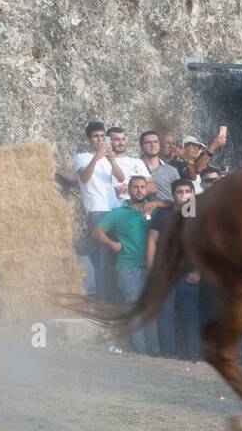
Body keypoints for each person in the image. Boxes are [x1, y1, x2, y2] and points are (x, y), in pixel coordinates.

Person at [94, 175, 161, 355]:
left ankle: (154, 349)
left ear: (147, 189)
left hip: (151, 266)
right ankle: (141, 348)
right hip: (128, 266)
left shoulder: (154, 209)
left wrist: (158, 203)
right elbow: (97, 231)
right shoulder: (118, 212)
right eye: (135, 187)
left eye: (142, 187)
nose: (139, 190)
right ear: (128, 190)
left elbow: (176, 204)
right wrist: (112, 244)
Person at [149, 178, 199, 359]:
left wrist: (198, 272)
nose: (183, 195)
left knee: (191, 314)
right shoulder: (163, 214)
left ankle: (194, 353)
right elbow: (152, 241)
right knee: (165, 312)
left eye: (187, 191)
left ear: (193, 193)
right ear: (173, 195)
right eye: (179, 192)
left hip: (189, 274)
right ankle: (168, 352)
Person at [76, 121, 120, 302]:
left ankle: (117, 299)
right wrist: (96, 157)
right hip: (97, 211)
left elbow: (121, 177)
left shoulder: (109, 158)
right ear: (88, 139)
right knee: (102, 258)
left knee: (118, 257)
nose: (100, 140)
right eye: (96, 136)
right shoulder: (82, 157)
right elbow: (84, 178)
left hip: (115, 209)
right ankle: (103, 302)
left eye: (102, 136)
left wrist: (111, 159)